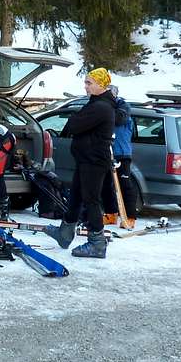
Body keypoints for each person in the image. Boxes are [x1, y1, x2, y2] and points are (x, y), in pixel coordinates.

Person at [43, 68, 117, 258]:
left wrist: (75, 119)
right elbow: (72, 126)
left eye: (89, 83)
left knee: (90, 200)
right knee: (75, 196)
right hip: (86, 159)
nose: (85, 87)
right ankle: (65, 233)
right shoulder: (96, 103)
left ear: (101, 85)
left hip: (94, 161)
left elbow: (73, 126)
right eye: (85, 82)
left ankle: (97, 242)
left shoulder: (101, 107)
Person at [101, 85, 137, 230]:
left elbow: (118, 120)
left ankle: (129, 216)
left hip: (121, 153)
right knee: (105, 185)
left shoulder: (123, 108)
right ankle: (111, 214)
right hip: (106, 152)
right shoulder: (104, 107)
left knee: (125, 186)